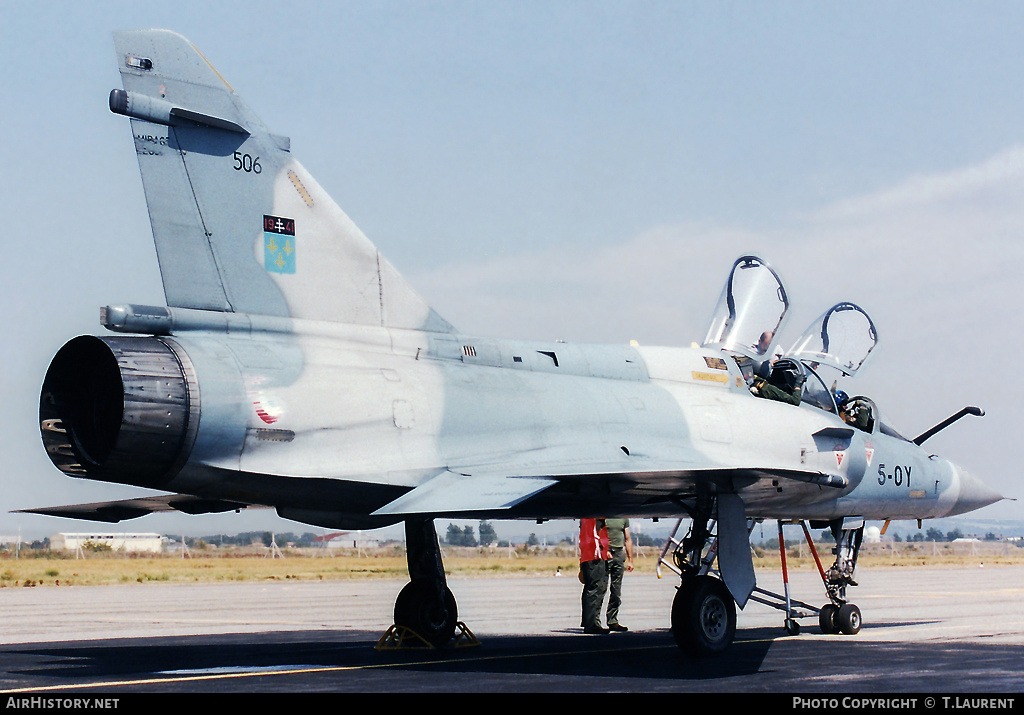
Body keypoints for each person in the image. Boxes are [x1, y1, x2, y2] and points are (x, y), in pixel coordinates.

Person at [578, 518, 611, 634]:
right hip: (595, 555)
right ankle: (592, 623)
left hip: (590, 554)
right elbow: (596, 535)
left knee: (593, 587)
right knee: (596, 588)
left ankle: (590, 621)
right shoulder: (592, 518)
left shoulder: (586, 519)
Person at [603, 518, 634, 632]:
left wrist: (630, 560)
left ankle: (612, 620)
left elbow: (628, 539)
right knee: (601, 588)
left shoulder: (623, 518)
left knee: (616, 590)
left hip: (618, 553)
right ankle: (595, 622)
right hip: (606, 553)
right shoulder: (603, 517)